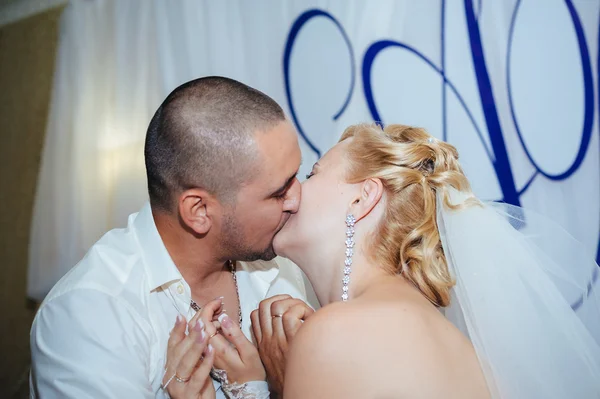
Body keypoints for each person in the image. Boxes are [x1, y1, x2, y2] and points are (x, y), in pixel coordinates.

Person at [176, 123, 600, 398]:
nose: (292, 193)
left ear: (362, 198)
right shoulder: (458, 345)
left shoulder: (335, 333)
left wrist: (254, 389)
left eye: (312, 174)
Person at [29, 76, 314, 398]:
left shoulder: (278, 267)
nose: (296, 198)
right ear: (199, 210)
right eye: (279, 192)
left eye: (297, 175)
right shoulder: (92, 313)